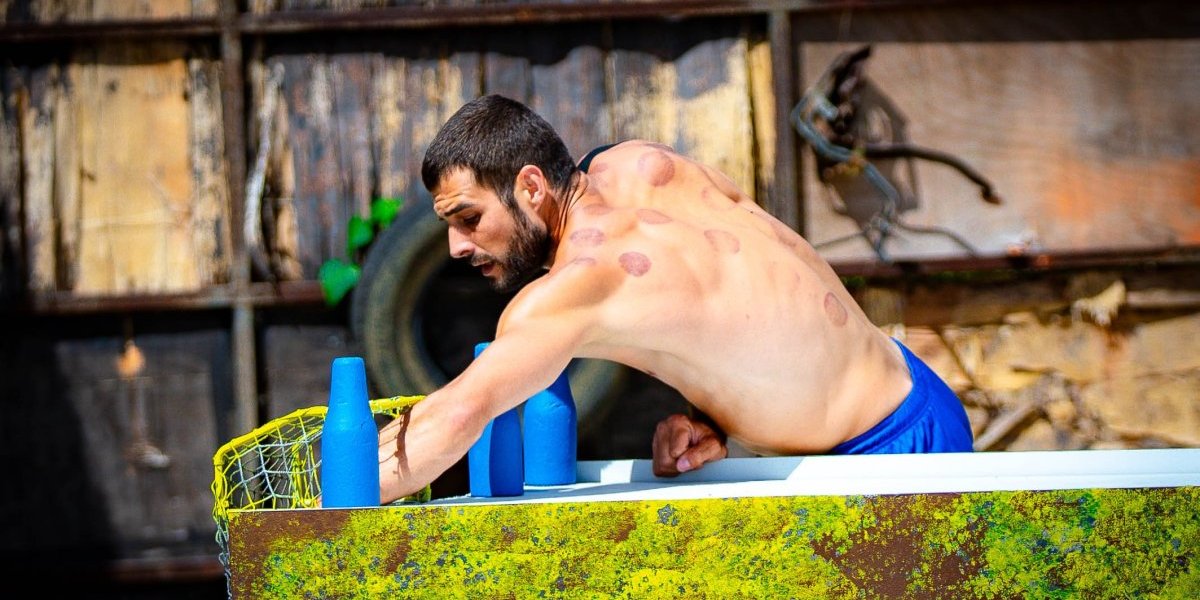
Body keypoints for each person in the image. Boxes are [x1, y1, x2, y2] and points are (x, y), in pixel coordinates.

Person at [376, 94, 972, 504]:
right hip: (917, 391)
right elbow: (747, 300)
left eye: (468, 217)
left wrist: (330, 493)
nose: (456, 246)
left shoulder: (574, 287)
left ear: (531, 185)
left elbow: (456, 417)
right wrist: (719, 422)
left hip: (885, 460)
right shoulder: (644, 164)